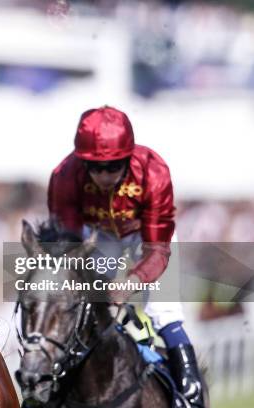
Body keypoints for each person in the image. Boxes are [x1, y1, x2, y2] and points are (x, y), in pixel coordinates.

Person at [47, 106, 204, 407]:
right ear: (81, 161)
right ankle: (49, 389)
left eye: (113, 166)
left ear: (128, 157)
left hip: (145, 238)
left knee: (165, 312)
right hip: (98, 237)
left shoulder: (154, 171)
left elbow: (158, 250)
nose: (104, 175)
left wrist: (132, 280)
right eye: (95, 167)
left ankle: (191, 392)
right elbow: (66, 243)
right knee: (78, 309)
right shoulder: (64, 176)